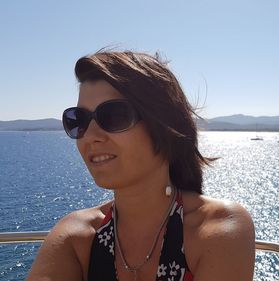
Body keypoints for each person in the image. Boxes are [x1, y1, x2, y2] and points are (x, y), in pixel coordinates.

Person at [27, 50, 255, 281]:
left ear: (165, 126)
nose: (90, 136)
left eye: (114, 116)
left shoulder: (216, 229)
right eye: (79, 120)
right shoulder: (77, 236)